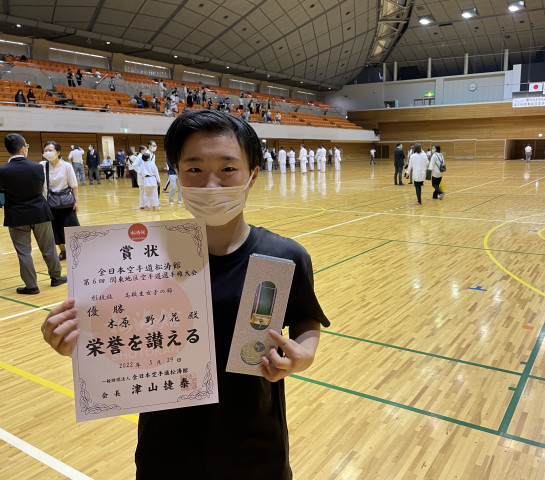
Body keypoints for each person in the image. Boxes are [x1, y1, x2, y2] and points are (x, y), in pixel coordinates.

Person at [41, 109, 329, 479]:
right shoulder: (139, 261)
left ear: (252, 175)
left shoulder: (282, 257)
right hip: (165, 450)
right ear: (176, 173)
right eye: (195, 169)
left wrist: (304, 354)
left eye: (228, 169)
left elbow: (306, 318)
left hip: (255, 448)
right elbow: (114, 335)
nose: (211, 185)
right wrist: (74, 338)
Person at [0, 133, 67, 294]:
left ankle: (31, 286)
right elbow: (40, 189)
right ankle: (56, 278)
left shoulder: (2, 171)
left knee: (24, 253)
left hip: (16, 216)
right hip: (39, 213)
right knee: (48, 248)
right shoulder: (37, 167)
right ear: (23, 148)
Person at [40, 141, 80, 260]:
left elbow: (74, 186)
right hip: (50, 203)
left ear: (58, 152)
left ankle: (77, 250)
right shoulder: (42, 165)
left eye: (50, 150)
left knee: (72, 228)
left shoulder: (66, 166)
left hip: (66, 203)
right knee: (55, 229)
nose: (47, 152)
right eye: (46, 150)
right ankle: (63, 251)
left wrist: (76, 202)